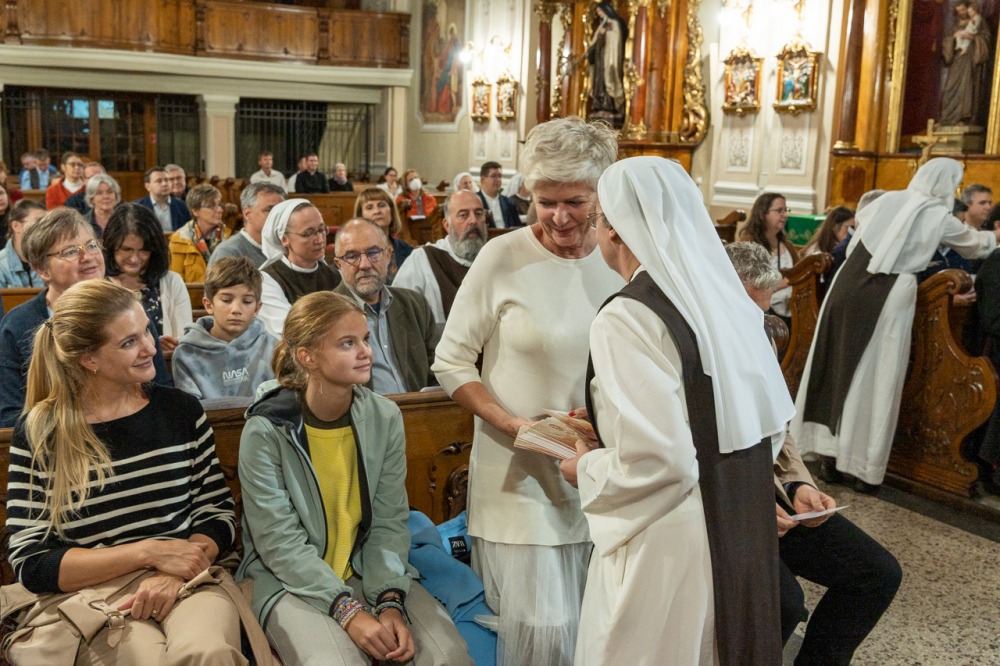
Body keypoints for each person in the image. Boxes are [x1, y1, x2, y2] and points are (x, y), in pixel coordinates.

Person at [555, 157, 791, 665]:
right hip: (736, 522)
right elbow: (764, 424)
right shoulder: (726, 300)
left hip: (665, 542)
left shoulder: (627, 315)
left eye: (596, 218)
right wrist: (609, 422)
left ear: (613, 228)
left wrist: (586, 467)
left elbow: (660, 461)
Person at [432, 117, 624, 666]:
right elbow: (451, 360)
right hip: (519, 479)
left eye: (575, 202)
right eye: (545, 202)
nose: (560, 217)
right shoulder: (502, 256)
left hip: (601, 473)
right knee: (544, 635)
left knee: (598, 630)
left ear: (601, 195)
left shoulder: (620, 259)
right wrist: (513, 425)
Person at [5, 280, 245, 665]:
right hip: (92, 594)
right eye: (129, 342)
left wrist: (177, 571)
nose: (150, 347)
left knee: (207, 651)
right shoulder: (42, 431)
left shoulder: (180, 411)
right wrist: (147, 552)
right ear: (89, 359)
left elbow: (216, 512)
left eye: (146, 331)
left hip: (189, 578)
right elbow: (31, 560)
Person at [237, 291, 471, 666]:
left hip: (367, 569)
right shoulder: (267, 429)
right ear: (307, 357)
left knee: (449, 657)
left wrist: (390, 599)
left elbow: (389, 521)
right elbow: (279, 543)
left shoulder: (384, 417)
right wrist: (348, 611)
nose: (365, 352)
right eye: (347, 343)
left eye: (364, 339)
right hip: (291, 582)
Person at [726, 241, 902, 665]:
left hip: (774, 496)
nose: (757, 321)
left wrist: (798, 483)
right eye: (747, 308)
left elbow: (778, 427)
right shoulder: (692, 343)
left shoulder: (758, 331)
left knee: (876, 573)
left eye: (763, 309)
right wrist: (752, 505)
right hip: (725, 507)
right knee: (785, 604)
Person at [792, 158, 1000, 492]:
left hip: (847, 286)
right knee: (878, 378)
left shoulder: (887, 199)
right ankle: (863, 470)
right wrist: (995, 236)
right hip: (890, 293)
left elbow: (861, 236)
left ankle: (829, 457)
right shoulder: (935, 214)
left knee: (838, 368)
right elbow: (975, 245)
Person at [0, 208, 171, 427]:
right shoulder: (17, 325)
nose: (88, 257)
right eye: (71, 251)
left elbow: (160, 389)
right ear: (42, 269)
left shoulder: (130, 309)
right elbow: (11, 415)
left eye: (91, 245)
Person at [333, 218, 438, 395]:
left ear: (388, 255)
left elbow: (438, 370)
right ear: (339, 264)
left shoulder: (415, 304)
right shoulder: (326, 315)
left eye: (373, 253)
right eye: (352, 256)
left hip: (419, 408)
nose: (364, 265)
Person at [172, 257, 275, 400]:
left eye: (247, 301)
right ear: (209, 305)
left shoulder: (274, 348)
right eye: (226, 300)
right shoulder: (187, 353)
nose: (236, 309)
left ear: (257, 308)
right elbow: (190, 408)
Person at [394, 190, 488, 329]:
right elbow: (399, 316)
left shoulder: (495, 258)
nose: (473, 221)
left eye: (479, 214)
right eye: (463, 215)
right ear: (447, 225)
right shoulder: (423, 260)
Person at [105, 204, 192, 353]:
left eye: (144, 250)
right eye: (126, 249)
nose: (134, 259)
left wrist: (171, 345)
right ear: (111, 246)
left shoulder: (171, 282)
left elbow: (185, 339)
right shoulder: (98, 285)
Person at [257, 199, 342, 338]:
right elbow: (291, 331)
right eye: (308, 233)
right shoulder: (267, 281)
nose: (320, 240)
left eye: (321, 230)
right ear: (284, 239)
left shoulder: (336, 275)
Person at [740, 192, 798, 321]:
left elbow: (799, 272)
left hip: (790, 307)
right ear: (762, 214)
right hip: (762, 311)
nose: (785, 215)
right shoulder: (749, 245)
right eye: (779, 211)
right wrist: (783, 284)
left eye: (786, 210)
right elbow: (749, 286)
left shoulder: (787, 246)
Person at [210, 182, 286, 267]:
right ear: (247, 214)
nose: (279, 216)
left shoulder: (287, 248)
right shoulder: (228, 253)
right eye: (269, 210)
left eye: (282, 211)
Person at [940, 0, 991, 127]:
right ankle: (947, 118)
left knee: (965, 87)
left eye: (963, 10)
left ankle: (963, 118)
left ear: (969, 9)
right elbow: (947, 40)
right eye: (958, 11)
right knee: (950, 87)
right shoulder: (956, 24)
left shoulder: (979, 21)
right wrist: (954, 37)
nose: (961, 13)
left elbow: (986, 38)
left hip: (969, 60)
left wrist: (973, 38)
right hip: (957, 59)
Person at [170, 184, 230, 282]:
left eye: (219, 205)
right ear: (195, 211)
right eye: (211, 206)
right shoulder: (179, 240)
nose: (220, 210)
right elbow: (175, 282)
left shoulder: (228, 237)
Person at [355, 187, 413, 283]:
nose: (377, 211)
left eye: (381, 205)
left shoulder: (407, 250)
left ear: (391, 211)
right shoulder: (352, 252)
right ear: (361, 216)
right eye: (369, 207)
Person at [586, 3, 628, 123]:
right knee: (599, 82)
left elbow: (616, 39)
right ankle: (600, 105)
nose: (599, 14)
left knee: (609, 78)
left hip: (610, 57)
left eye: (600, 11)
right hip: (600, 59)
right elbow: (594, 41)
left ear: (606, 10)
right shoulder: (602, 24)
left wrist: (606, 33)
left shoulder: (614, 23)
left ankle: (610, 105)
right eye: (598, 12)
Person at [0, 199, 46, 288]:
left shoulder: (52, 258)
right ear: (16, 226)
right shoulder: (1, 264)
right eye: (38, 222)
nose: (44, 229)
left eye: (46, 223)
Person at [134, 165, 190, 232]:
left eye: (167, 180)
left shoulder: (183, 207)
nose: (164, 184)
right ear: (148, 186)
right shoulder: (137, 208)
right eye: (159, 181)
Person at [477, 161, 521, 229]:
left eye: (500, 176)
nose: (498, 180)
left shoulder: (509, 203)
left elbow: (518, 228)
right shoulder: (474, 202)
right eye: (493, 176)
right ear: (483, 179)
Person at [82, 172, 122, 237]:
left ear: (116, 195)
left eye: (110, 192)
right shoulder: (82, 224)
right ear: (91, 198)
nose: (105, 196)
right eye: (99, 193)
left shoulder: (125, 221)